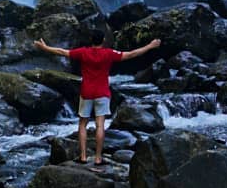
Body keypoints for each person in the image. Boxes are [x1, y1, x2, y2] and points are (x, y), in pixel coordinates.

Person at [33, 29, 162, 166]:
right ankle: (98, 158)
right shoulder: (109, 53)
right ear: (103, 41)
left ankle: (83, 156)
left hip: (86, 92)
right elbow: (131, 54)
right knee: (100, 125)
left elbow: (62, 52)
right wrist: (150, 46)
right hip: (102, 93)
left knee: (83, 124)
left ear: (91, 40)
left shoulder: (83, 52)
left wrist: (45, 48)